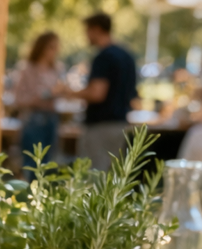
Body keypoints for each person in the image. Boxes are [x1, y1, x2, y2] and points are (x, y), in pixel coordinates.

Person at [70, 12, 137, 170]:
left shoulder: (104, 57)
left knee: (92, 175)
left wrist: (69, 93)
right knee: (112, 175)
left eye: (87, 31)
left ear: (97, 29)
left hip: (100, 126)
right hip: (121, 124)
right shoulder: (127, 56)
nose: (86, 36)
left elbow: (97, 94)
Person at [14, 31, 62, 174]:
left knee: (49, 164)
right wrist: (43, 96)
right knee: (32, 163)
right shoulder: (28, 69)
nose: (55, 51)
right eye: (51, 47)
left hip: (52, 118)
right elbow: (19, 98)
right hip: (33, 119)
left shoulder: (56, 70)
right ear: (41, 47)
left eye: (57, 47)